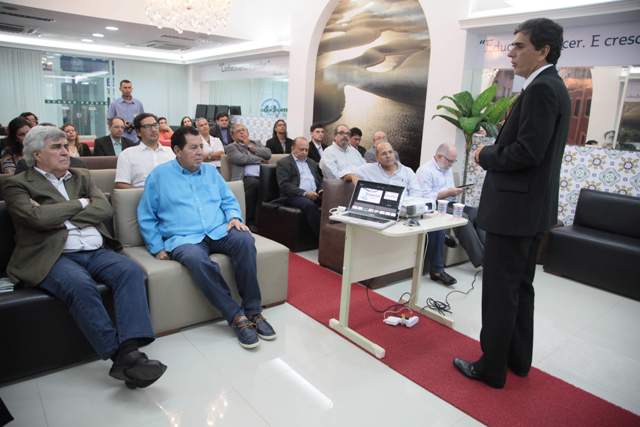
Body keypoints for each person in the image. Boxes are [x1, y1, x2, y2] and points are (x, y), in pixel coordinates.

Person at [453, 18, 571, 389]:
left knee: (501, 291)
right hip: (531, 212)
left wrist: (487, 154)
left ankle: (491, 368)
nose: (511, 52)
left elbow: (527, 152)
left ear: (543, 51)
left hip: (514, 212)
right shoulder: (553, 87)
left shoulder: (541, 90)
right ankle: (518, 360)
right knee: (520, 288)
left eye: (519, 46)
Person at [1, 125, 166, 388]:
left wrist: (58, 214)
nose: (65, 151)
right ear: (36, 154)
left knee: (131, 271)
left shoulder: (81, 176)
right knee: (80, 285)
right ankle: (121, 356)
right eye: (55, 147)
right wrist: (80, 204)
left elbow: (104, 209)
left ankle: (130, 346)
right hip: (54, 256)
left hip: (96, 250)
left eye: (65, 145)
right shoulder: (16, 184)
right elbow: (35, 218)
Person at [137, 127, 276, 349]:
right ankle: (236, 317)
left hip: (217, 229)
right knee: (195, 259)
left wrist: (234, 217)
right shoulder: (159, 176)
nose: (200, 152)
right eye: (193, 147)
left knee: (245, 240)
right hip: (183, 237)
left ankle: (254, 311)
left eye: (201, 146)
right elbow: (146, 215)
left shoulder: (212, 172)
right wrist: (156, 246)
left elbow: (228, 200)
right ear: (177, 150)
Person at [415, 143, 464, 286]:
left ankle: (486, 256)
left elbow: (450, 189)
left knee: (475, 214)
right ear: (439, 156)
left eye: (453, 161)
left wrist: (453, 193)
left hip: (447, 203)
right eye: (450, 161)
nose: (451, 164)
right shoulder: (425, 171)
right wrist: (447, 193)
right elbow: (424, 198)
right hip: (432, 206)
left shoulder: (446, 168)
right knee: (448, 223)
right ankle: (437, 270)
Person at [276, 137, 323, 238]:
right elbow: (284, 185)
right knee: (309, 205)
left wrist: (321, 190)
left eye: (306, 150)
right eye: (302, 149)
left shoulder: (312, 163)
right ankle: (322, 240)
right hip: (294, 196)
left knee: (331, 202)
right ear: (293, 148)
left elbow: (319, 180)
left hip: (314, 194)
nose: (304, 152)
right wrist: (305, 193)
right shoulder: (284, 163)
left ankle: (337, 236)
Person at [225, 123, 271, 226]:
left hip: (263, 176)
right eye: (238, 131)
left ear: (248, 132)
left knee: (271, 185)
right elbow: (241, 159)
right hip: (244, 178)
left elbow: (268, 154)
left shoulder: (256, 143)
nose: (241, 132)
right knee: (254, 184)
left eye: (243, 130)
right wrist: (260, 159)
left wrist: (251, 147)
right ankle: (250, 221)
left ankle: (266, 221)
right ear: (233, 136)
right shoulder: (231, 147)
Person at [115, 113, 174, 189]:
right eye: (147, 127)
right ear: (138, 132)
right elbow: (121, 184)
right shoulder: (127, 154)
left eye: (155, 125)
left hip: (171, 196)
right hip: (141, 196)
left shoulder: (171, 152)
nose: (153, 129)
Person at [354, 141, 421, 196]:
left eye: (390, 152)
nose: (388, 156)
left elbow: (416, 194)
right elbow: (348, 171)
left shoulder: (407, 172)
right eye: (384, 154)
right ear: (377, 158)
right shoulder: (368, 169)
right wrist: (352, 177)